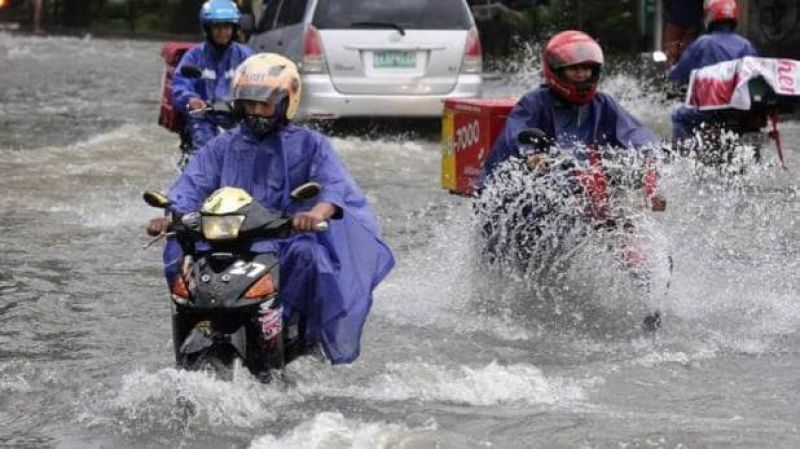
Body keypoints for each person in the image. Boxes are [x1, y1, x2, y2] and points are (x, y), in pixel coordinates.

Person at [148, 53, 395, 365]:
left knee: (310, 256)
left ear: (286, 102)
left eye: (264, 104)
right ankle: (191, 326)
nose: (255, 112)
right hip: (225, 240)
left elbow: (333, 184)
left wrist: (315, 214)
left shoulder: (311, 145)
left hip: (283, 241)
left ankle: (295, 332)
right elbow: (191, 184)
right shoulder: (222, 146)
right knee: (177, 250)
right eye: (249, 104)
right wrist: (171, 216)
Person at [481, 30, 665, 211]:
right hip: (532, 192)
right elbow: (516, 134)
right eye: (574, 69)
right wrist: (531, 155)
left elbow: (637, 135)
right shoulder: (534, 102)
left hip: (584, 189)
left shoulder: (603, 104)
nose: (581, 74)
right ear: (557, 71)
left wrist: (650, 163)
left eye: (586, 69)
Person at [667, 0, 758, 142]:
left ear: (709, 17)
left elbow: (679, 72)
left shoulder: (703, 42)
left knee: (679, 117)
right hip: (741, 108)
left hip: (708, 108)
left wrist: (670, 73)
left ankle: (682, 154)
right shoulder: (746, 45)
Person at [171, 0, 253, 153]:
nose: (222, 32)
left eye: (227, 27)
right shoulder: (194, 56)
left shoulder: (246, 55)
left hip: (236, 116)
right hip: (203, 117)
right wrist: (190, 99)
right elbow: (179, 86)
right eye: (217, 27)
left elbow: (259, 83)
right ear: (208, 28)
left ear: (234, 28)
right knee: (207, 151)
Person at [663, 0, 704, 66]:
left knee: (672, 50)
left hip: (676, 18)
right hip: (692, 18)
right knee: (687, 51)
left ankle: (672, 66)